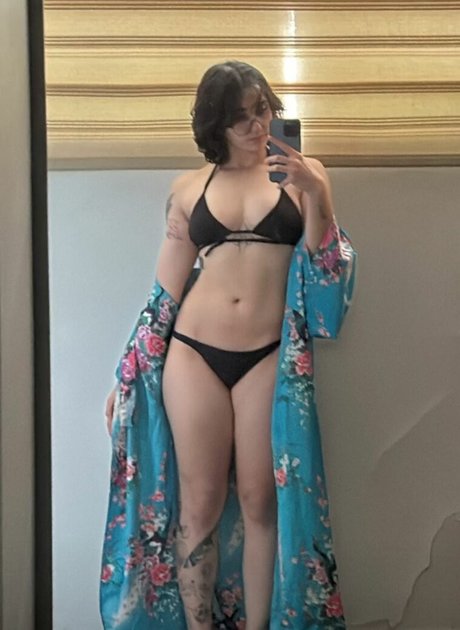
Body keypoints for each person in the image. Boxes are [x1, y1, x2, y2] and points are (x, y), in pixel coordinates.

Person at [101, 60, 356, 630]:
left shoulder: (306, 175)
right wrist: (126, 374)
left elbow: (326, 278)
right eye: (240, 117)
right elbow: (165, 292)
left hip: (267, 354)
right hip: (194, 353)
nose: (256, 126)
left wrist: (315, 193)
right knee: (201, 502)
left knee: (261, 500)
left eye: (262, 109)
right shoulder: (189, 189)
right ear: (215, 124)